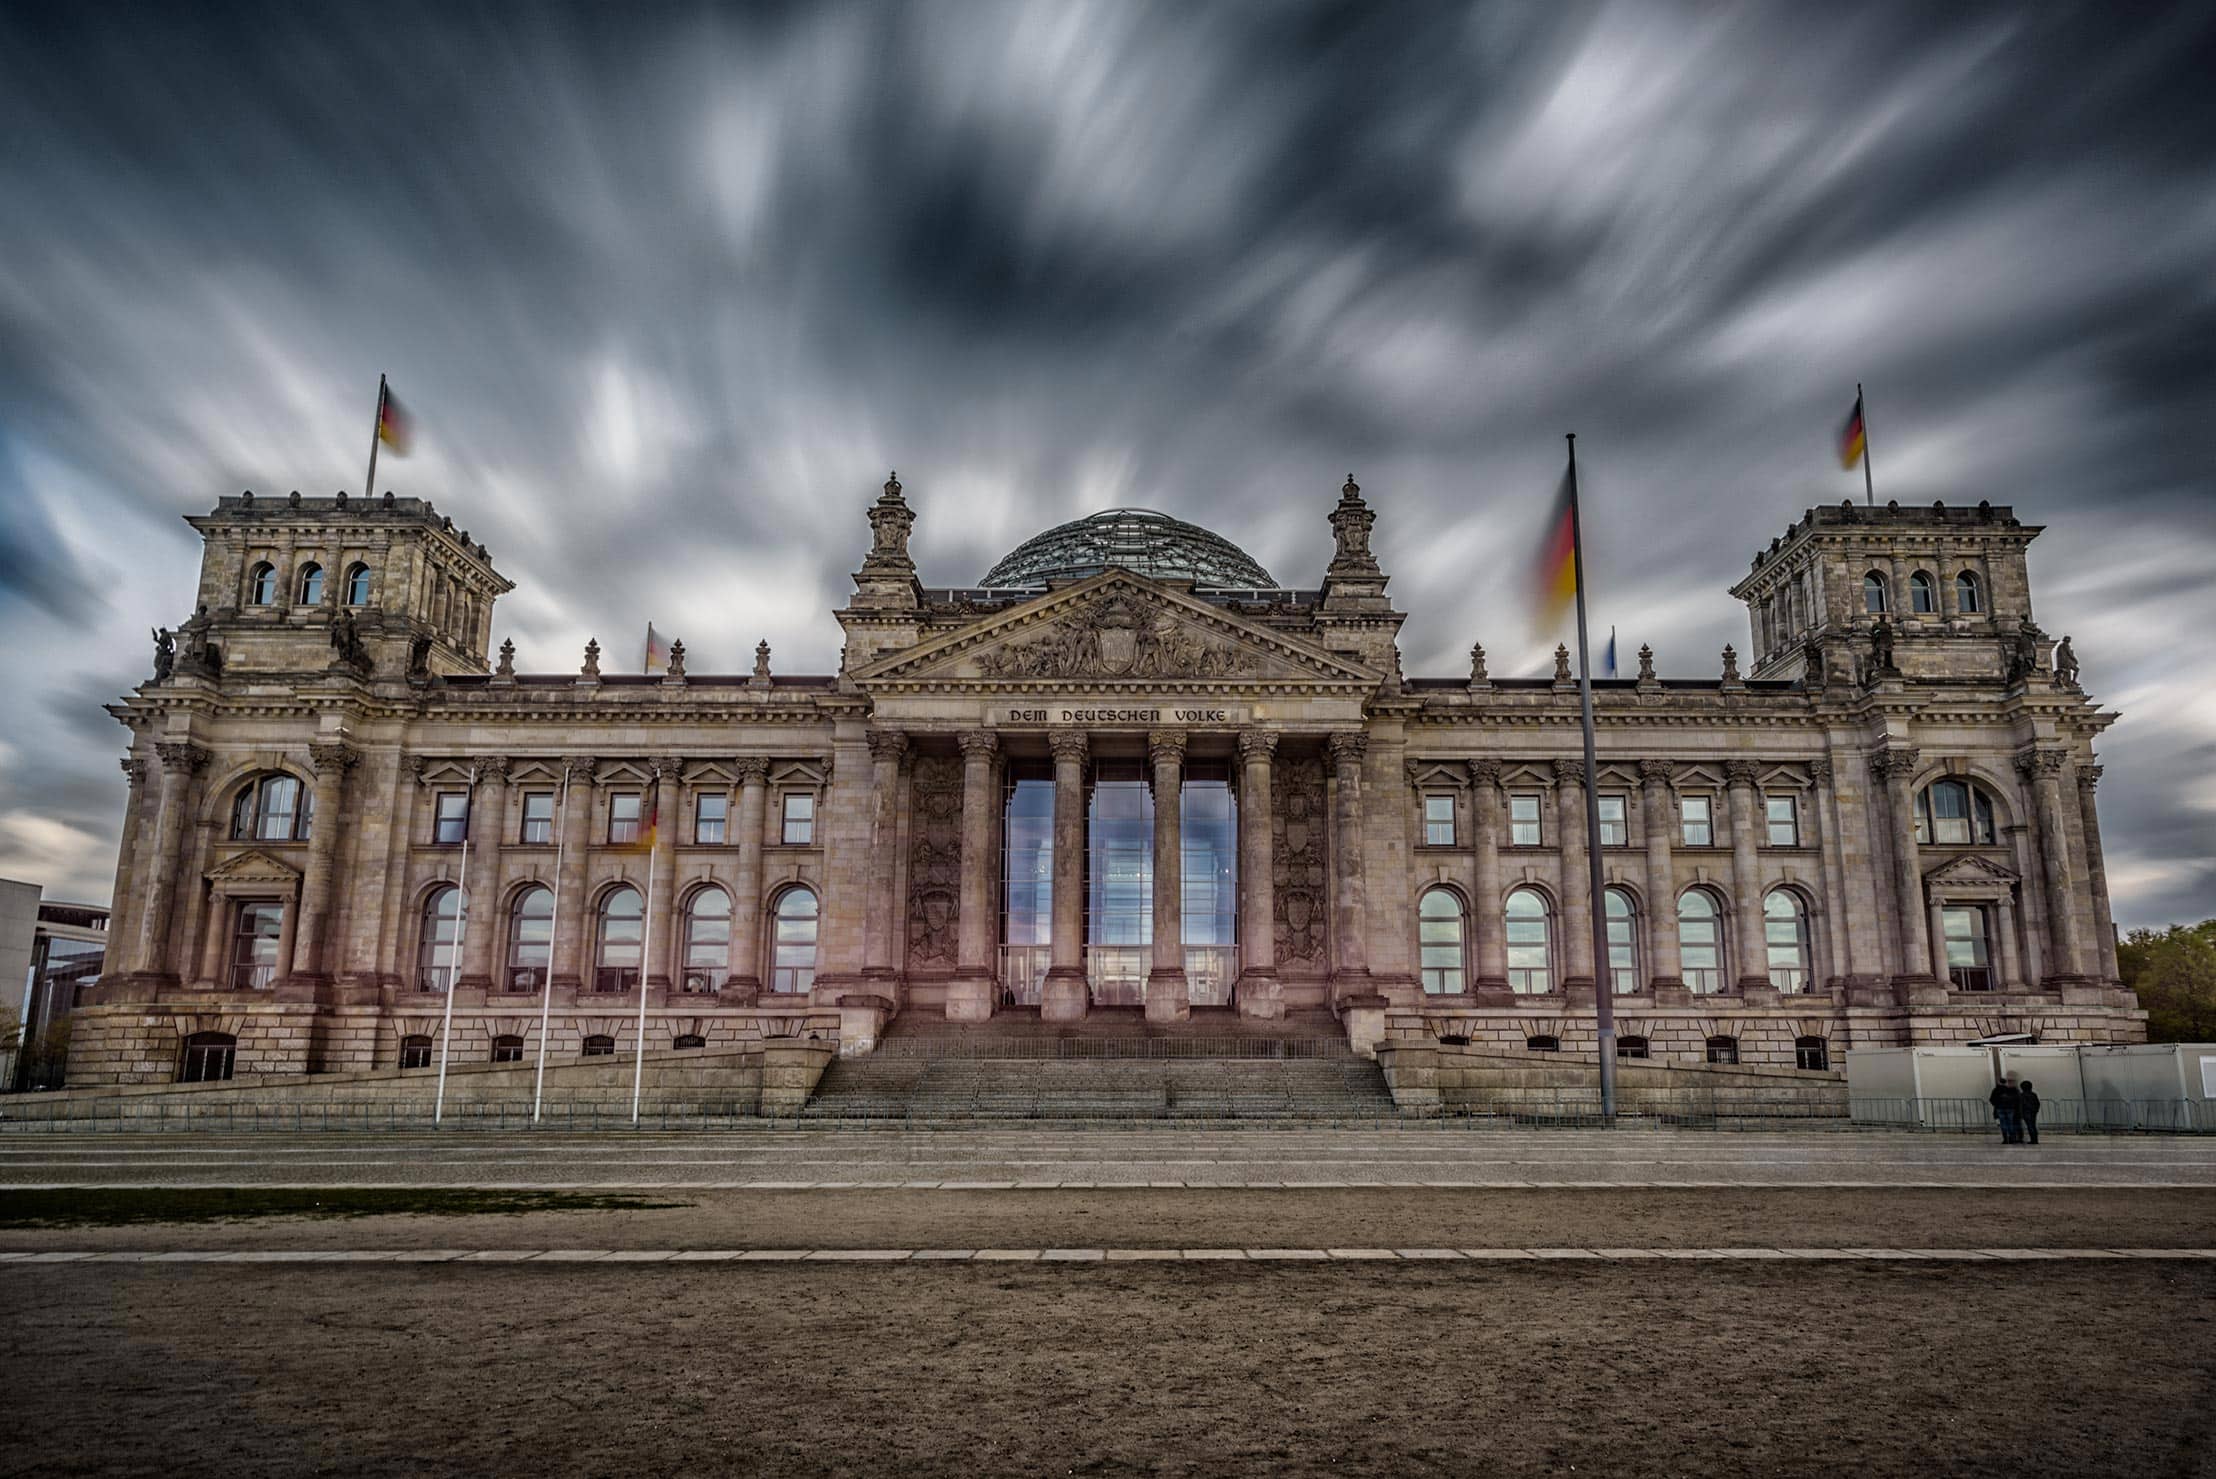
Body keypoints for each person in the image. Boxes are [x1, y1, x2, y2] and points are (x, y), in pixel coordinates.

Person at [1989, 1077, 2022, 1145]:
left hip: (2000, 1108)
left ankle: (2005, 1139)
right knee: (2010, 1123)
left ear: (1999, 1082)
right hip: (2010, 1108)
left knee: (2003, 1124)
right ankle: (2012, 1138)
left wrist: (1996, 1105)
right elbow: (2016, 1099)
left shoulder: (1996, 1090)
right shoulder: (2009, 1089)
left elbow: (1991, 1099)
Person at [2017, 1079, 2041, 1146]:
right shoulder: (2033, 1094)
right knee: (2033, 1126)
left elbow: (2021, 1105)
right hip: (2033, 1112)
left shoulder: (2022, 1095)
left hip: (2026, 1112)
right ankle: (2035, 1139)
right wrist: (2036, 1110)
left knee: (2030, 1126)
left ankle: (2033, 1140)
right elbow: (2037, 1103)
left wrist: (2021, 1114)